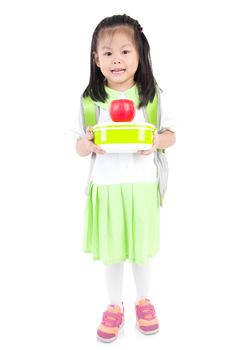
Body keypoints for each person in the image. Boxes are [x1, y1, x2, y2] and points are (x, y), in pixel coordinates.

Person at [73, 14, 176, 342]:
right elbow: (78, 146)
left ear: (139, 54)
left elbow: (170, 135)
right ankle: (114, 306)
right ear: (96, 59)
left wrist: (155, 142)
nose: (116, 59)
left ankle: (144, 300)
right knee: (114, 252)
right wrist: (87, 143)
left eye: (124, 51)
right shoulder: (92, 100)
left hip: (143, 186)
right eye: (107, 53)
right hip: (107, 187)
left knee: (140, 250)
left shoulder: (152, 96)